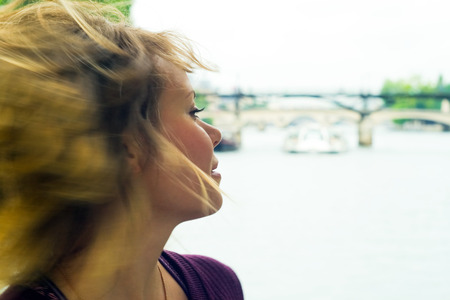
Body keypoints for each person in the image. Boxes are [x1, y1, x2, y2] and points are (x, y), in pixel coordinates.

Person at [0, 0, 244, 299]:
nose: (215, 133)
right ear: (125, 144)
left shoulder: (217, 282)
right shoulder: (212, 285)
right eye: (193, 111)